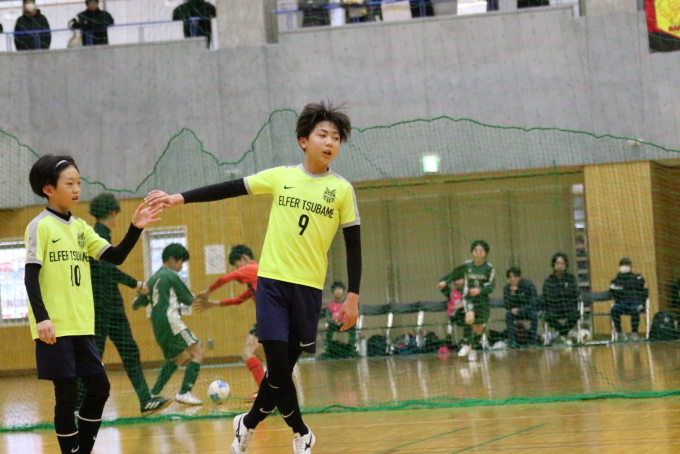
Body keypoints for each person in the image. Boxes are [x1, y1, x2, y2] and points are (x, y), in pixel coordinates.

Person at [145, 101, 361, 454]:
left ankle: (246, 423)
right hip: (272, 285)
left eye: (336, 137)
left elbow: (354, 246)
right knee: (277, 366)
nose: (329, 142)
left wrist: (353, 295)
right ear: (303, 141)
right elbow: (230, 187)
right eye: (322, 135)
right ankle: (302, 432)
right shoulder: (281, 176)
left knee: (278, 375)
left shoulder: (342, 190)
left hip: (308, 290)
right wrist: (178, 198)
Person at [24, 155, 161, 454]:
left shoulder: (81, 227)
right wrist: (42, 317)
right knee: (67, 394)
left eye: (79, 183)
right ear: (48, 189)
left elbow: (116, 256)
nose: (76, 189)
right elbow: (31, 276)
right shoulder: (40, 226)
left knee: (99, 388)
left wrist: (135, 227)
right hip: (54, 327)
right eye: (69, 183)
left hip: (83, 325)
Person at [77, 193, 170, 415]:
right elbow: (109, 268)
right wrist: (136, 284)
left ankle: (145, 400)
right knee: (95, 356)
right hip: (100, 308)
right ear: (113, 213)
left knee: (129, 351)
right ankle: (77, 406)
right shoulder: (97, 235)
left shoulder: (101, 235)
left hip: (111, 307)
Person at [133, 243, 204, 405]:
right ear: (171, 259)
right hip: (171, 321)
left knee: (178, 357)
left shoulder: (152, 279)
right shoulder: (172, 276)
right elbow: (189, 300)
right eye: (180, 262)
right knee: (198, 353)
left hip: (158, 325)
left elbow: (136, 304)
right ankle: (185, 392)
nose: (181, 266)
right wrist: (203, 298)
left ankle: (154, 392)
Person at [195, 244, 265, 399]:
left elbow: (225, 278)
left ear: (245, 258)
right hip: (271, 317)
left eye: (237, 265)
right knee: (260, 354)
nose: (237, 270)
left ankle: (266, 392)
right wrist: (214, 303)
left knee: (247, 353)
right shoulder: (256, 279)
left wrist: (207, 292)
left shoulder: (252, 268)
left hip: (271, 317)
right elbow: (239, 299)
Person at [438, 241, 495, 361]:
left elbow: (491, 286)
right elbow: (455, 274)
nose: (478, 253)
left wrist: (480, 290)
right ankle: (465, 344)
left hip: (482, 300)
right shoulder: (467, 265)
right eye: (475, 251)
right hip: (469, 298)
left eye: (481, 251)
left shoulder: (489, 268)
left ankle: (472, 347)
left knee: (479, 327)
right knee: (469, 319)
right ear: (472, 252)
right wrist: (444, 281)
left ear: (485, 253)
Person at [542, 252, 580, 344]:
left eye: (562, 263)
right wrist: (562, 295)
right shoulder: (548, 281)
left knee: (576, 314)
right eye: (558, 263)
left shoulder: (571, 279)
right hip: (554, 306)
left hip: (568, 305)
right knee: (547, 316)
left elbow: (573, 293)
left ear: (566, 265)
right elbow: (548, 295)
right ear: (554, 265)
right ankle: (564, 334)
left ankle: (561, 335)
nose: (560, 266)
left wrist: (561, 295)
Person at [609, 258, 648, 342]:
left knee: (634, 309)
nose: (624, 267)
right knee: (614, 310)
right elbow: (613, 292)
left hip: (635, 302)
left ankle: (634, 333)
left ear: (630, 267)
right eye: (622, 265)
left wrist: (623, 287)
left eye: (626, 265)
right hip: (622, 303)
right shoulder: (615, 280)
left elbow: (640, 285)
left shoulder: (637, 277)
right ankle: (619, 333)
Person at [320, 281, 358, 359]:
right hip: (335, 325)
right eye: (336, 289)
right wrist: (333, 322)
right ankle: (328, 350)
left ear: (343, 290)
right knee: (329, 329)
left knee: (352, 327)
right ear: (333, 292)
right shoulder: (331, 305)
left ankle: (352, 350)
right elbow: (328, 317)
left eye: (340, 289)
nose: (338, 291)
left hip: (346, 324)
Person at [503, 267, 539, 348]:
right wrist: (512, 294)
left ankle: (533, 341)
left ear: (519, 277)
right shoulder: (507, 288)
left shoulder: (528, 285)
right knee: (508, 315)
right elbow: (507, 305)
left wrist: (520, 309)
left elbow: (533, 303)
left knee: (534, 315)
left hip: (527, 310)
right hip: (515, 312)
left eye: (514, 277)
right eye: (510, 277)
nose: (512, 279)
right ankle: (512, 342)